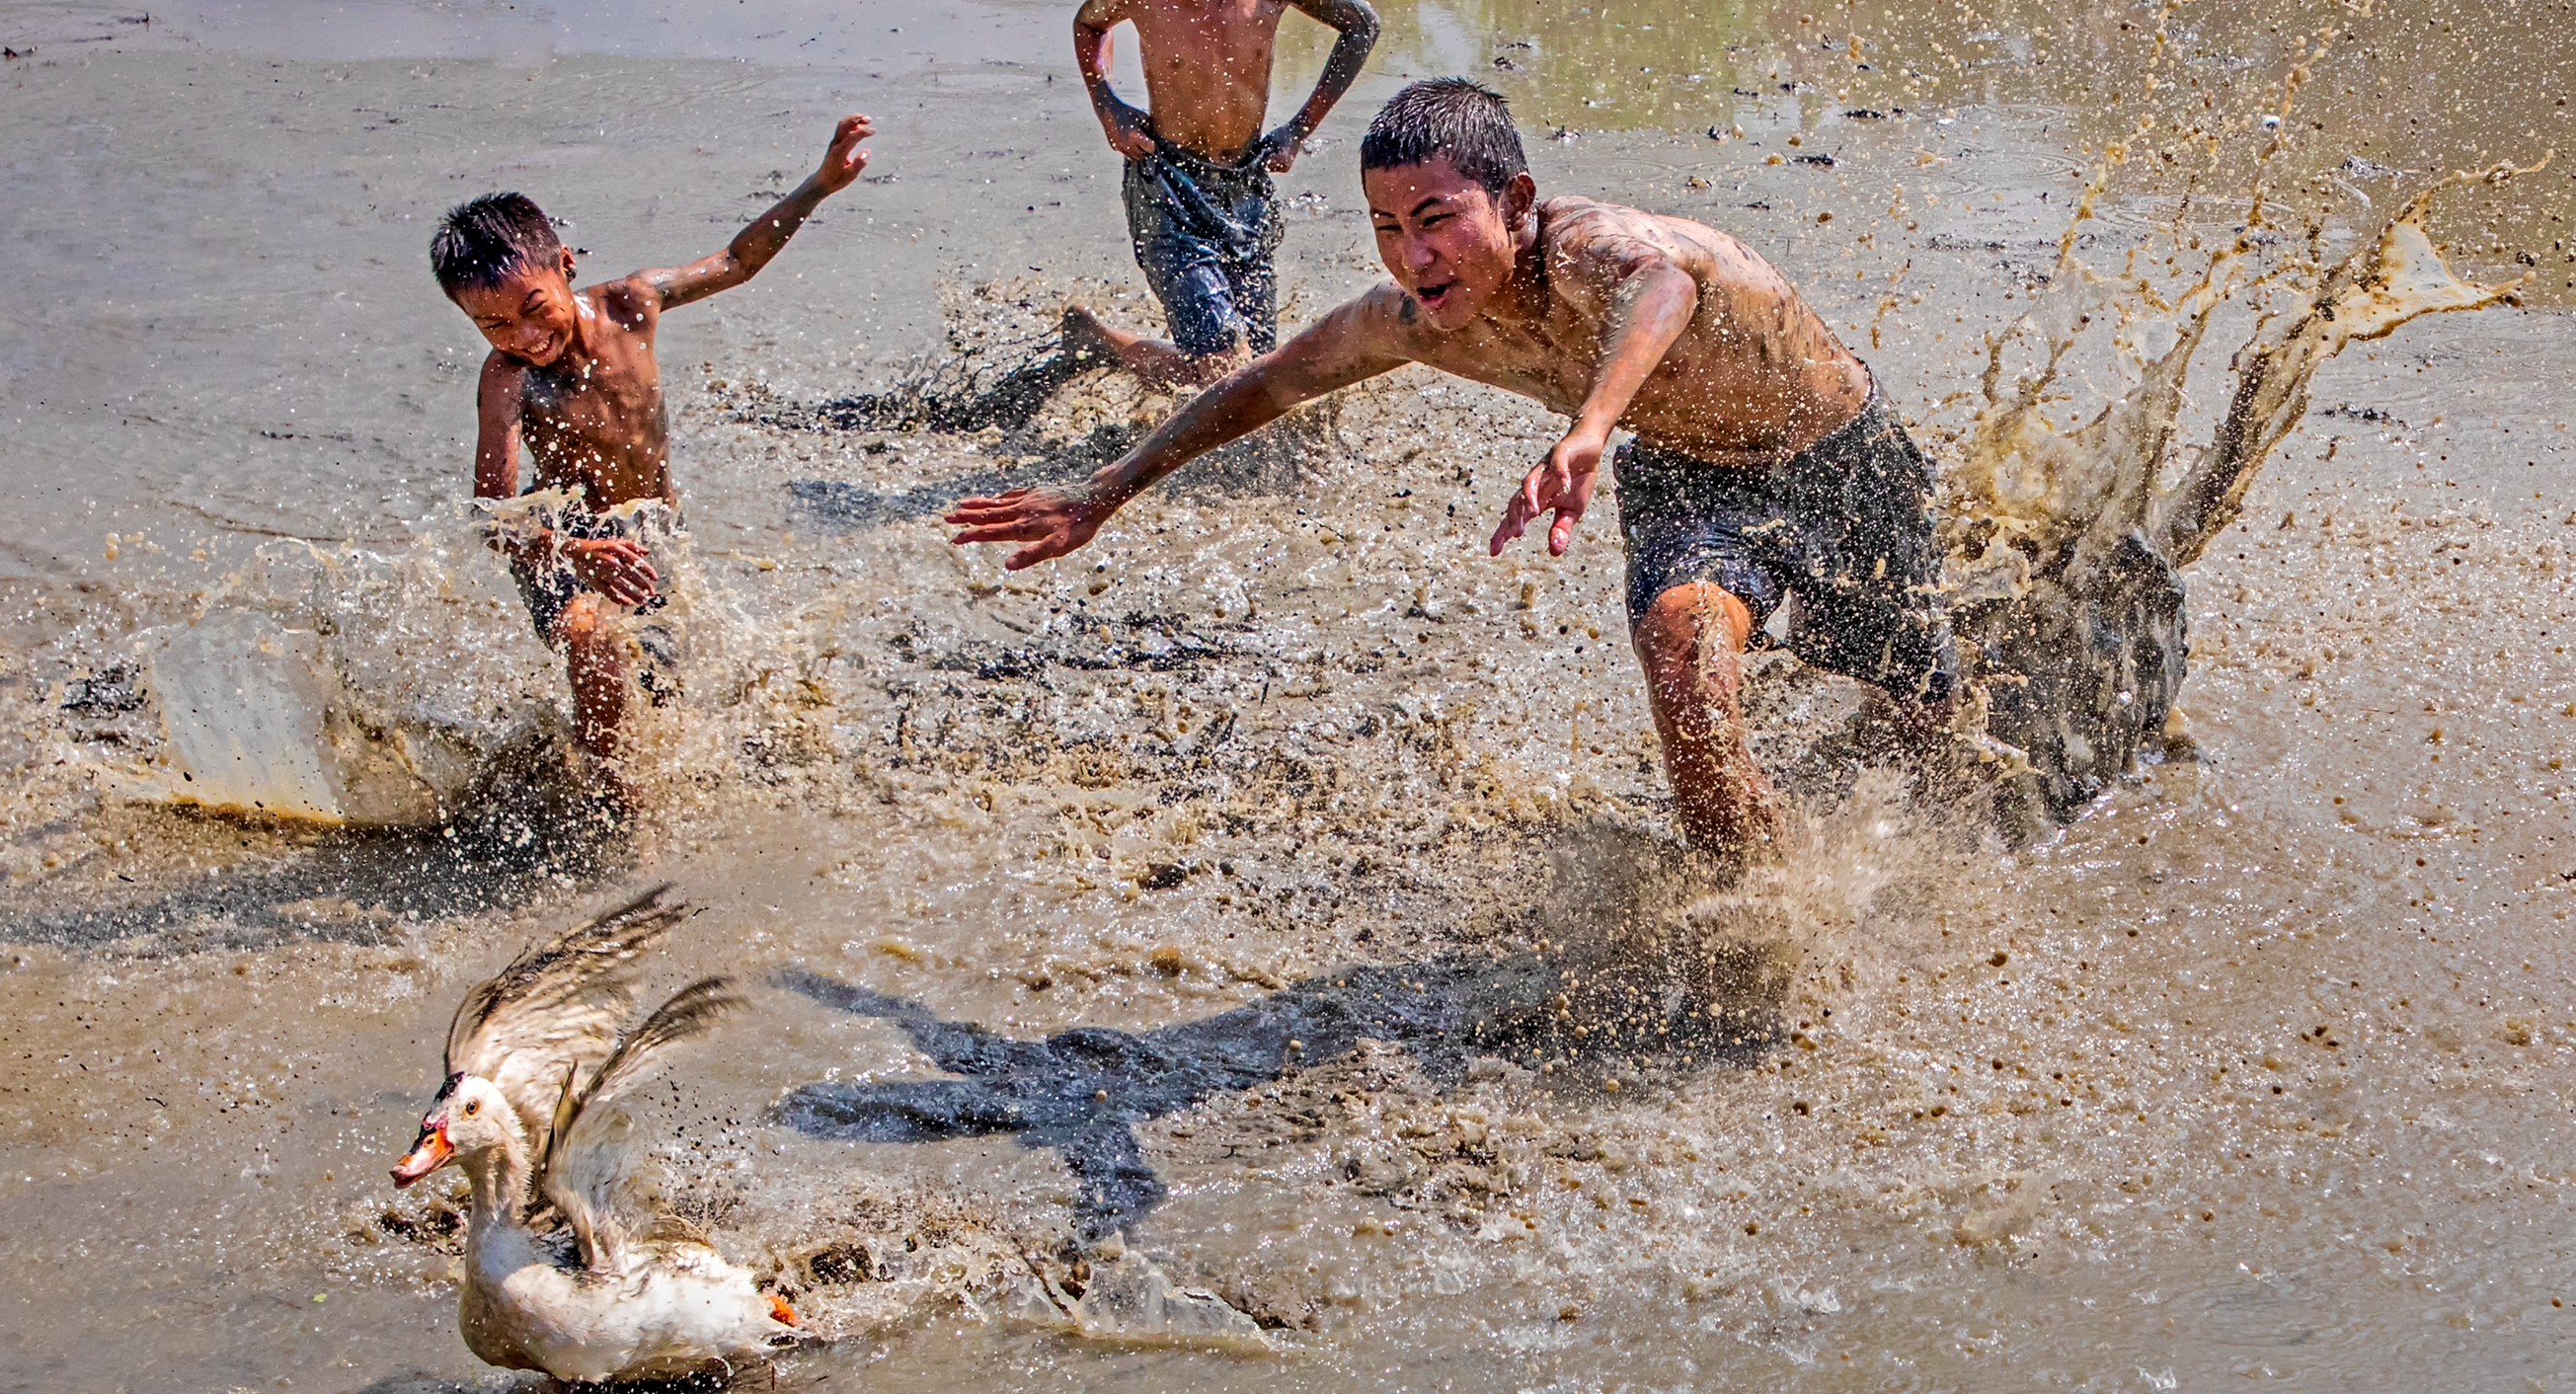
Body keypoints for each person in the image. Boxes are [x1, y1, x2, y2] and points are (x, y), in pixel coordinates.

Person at [947, 80, 1960, 869]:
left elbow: (1666, 287)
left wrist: (1590, 428)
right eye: (1388, 229)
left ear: (1514, 202)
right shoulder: (1418, 323)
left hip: (1839, 458)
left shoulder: (1587, 247)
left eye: (1436, 219)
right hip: (1695, 485)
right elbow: (1270, 383)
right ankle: (1764, 919)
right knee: (1681, 667)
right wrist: (1107, 489)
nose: (1412, 255)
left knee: (1928, 726)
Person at [433, 114, 875, 794]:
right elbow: (491, 516)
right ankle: (617, 813)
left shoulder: (632, 307)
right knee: (589, 636)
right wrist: (577, 553)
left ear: (565, 266)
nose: (522, 335)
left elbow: (737, 262)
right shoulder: (506, 379)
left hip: (650, 536)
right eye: (492, 324)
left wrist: (817, 186)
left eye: (533, 308)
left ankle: (595, 772)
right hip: (564, 541)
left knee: (663, 691)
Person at [1059, 0, 1379, 392]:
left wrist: (1297, 130)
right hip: (1166, 185)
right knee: (1225, 368)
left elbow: (1360, 24)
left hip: (1246, 184)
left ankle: (1099, 342)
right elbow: (1088, 26)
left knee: (1256, 375)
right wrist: (1108, 105)